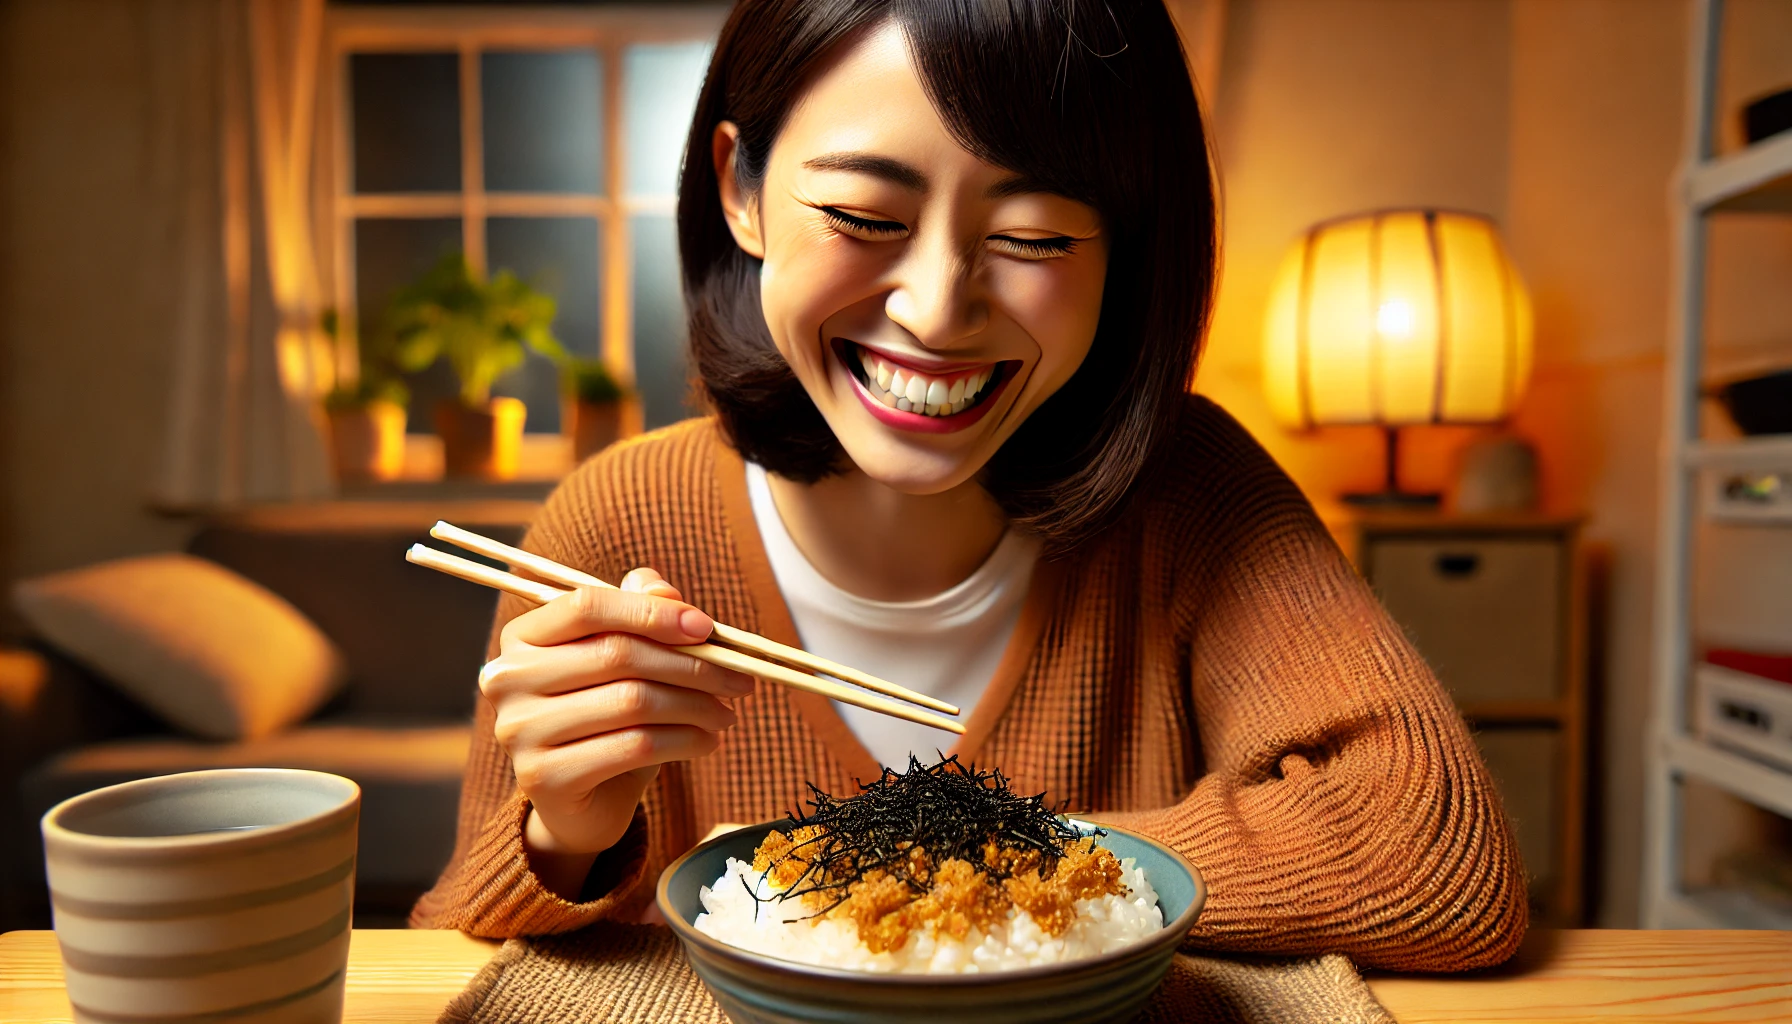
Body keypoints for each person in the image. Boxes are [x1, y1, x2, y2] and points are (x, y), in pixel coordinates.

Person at [413, 0, 1526, 971]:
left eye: (1032, 236)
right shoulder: (615, 520)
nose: (938, 310)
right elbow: (456, 960)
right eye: (862, 217)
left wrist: (935, 867)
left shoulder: (1190, 492)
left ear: (1120, 254)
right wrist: (565, 833)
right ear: (740, 192)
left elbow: (1436, 856)